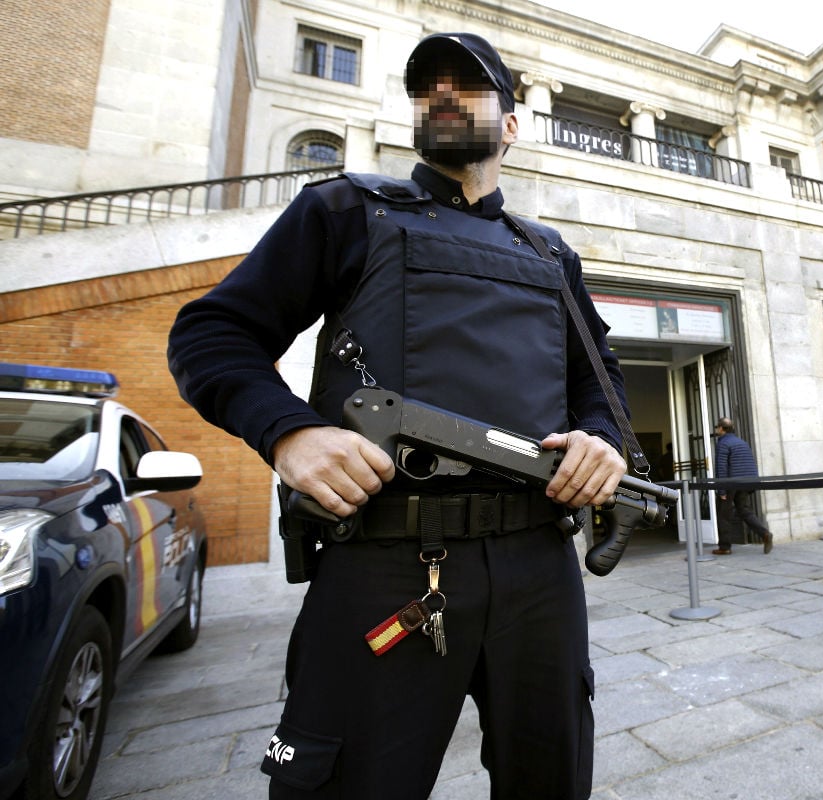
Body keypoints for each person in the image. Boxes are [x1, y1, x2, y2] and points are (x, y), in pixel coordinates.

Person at [167, 32, 628, 799]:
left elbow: (599, 381)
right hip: (385, 561)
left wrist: (604, 442)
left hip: (539, 566)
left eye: (468, 85)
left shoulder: (550, 255)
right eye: (428, 87)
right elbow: (213, 334)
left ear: (511, 124)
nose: (444, 94)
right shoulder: (346, 209)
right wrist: (289, 431)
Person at [712, 417, 773, 554]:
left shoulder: (723, 443)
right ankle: (764, 534)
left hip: (731, 483)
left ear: (721, 428)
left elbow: (721, 468)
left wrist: (721, 490)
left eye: (717, 427)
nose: (716, 429)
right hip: (746, 481)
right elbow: (750, 463)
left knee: (723, 515)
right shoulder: (742, 442)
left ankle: (725, 547)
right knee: (744, 510)